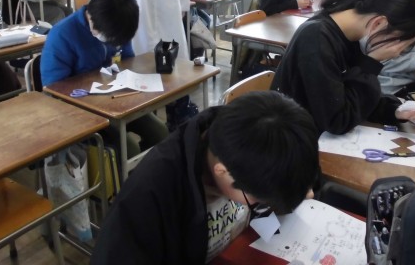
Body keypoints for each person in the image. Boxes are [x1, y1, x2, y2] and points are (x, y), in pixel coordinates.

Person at [90, 91, 320, 264]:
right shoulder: (148, 196)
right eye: (258, 199)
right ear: (222, 171)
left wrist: (280, 237)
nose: (260, 204)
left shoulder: (244, 150)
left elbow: (262, 212)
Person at [271, 0, 415, 135]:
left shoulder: (350, 34)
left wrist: (395, 110)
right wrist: (372, 63)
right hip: (291, 139)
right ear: (378, 23)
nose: (396, 52)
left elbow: (350, 94)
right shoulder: (317, 38)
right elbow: (338, 120)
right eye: (398, 43)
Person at [41, 0, 168, 158]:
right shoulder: (62, 35)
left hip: (116, 102)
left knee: (160, 134)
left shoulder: (118, 25)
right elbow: (54, 90)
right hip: (81, 111)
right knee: (129, 149)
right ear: (92, 20)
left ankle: (150, 171)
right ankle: (127, 175)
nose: (112, 43)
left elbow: (127, 61)